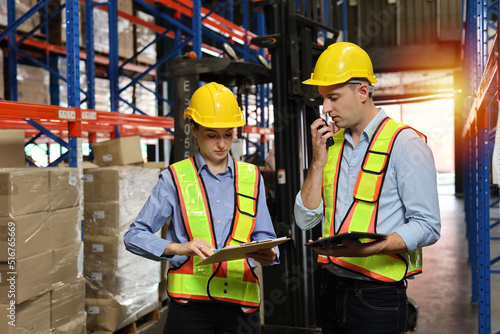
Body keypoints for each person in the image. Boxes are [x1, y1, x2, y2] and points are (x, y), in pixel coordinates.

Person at [294, 42, 441, 333]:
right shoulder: (330, 146)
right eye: (324, 99)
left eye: (333, 97)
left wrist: (371, 249)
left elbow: (428, 225)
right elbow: (304, 219)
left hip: (377, 297)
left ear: (362, 91)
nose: (326, 108)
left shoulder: (405, 144)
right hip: (330, 289)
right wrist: (317, 162)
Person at [124, 82, 279, 334]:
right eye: (212, 135)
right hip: (190, 310)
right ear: (193, 130)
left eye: (228, 134)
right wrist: (177, 248)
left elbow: (264, 234)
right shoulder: (175, 178)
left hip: (241, 306)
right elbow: (134, 236)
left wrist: (269, 252)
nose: (221, 144)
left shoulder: (252, 177)